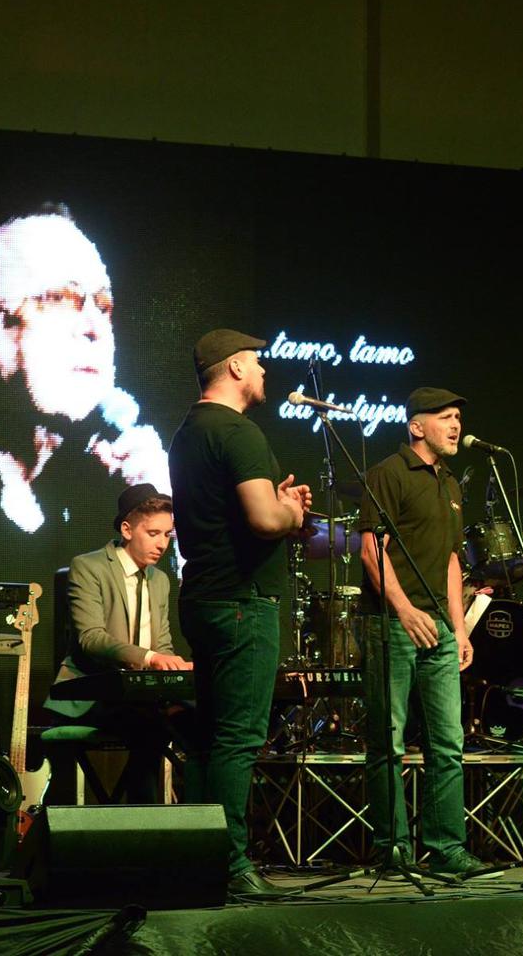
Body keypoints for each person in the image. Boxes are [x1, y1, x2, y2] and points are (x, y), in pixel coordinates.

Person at [168, 329, 311, 898]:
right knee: (237, 737)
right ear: (233, 368)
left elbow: (231, 509)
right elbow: (265, 520)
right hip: (242, 602)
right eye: (256, 361)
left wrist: (276, 502)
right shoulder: (238, 431)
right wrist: (291, 511)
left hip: (204, 597)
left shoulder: (189, 432)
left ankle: (199, 859)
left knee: (208, 737)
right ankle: (231, 865)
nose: (264, 371)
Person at [0, 204, 170, 534]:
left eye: (103, 306)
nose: (93, 329)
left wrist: (162, 524)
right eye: (58, 299)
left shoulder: (111, 483)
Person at [355, 387, 494, 879]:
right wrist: (405, 609)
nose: (456, 424)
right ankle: (393, 850)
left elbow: (453, 560)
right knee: (388, 741)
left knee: (447, 743)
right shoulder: (388, 473)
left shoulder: (451, 482)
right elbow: (372, 551)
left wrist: (459, 627)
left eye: (459, 416)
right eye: (445, 417)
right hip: (393, 623)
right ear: (416, 426)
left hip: (438, 624)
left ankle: (446, 848)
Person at [45, 483, 193, 803]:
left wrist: (175, 666)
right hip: (91, 697)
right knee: (151, 726)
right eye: (153, 533)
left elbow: (162, 644)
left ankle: (203, 813)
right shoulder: (89, 567)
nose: (162, 544)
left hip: (141, 699)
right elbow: (91, 638)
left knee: (197, 718)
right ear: (127, 530)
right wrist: (151, 658)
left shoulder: (160, 580)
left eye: (167, 535)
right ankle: (144, 817)